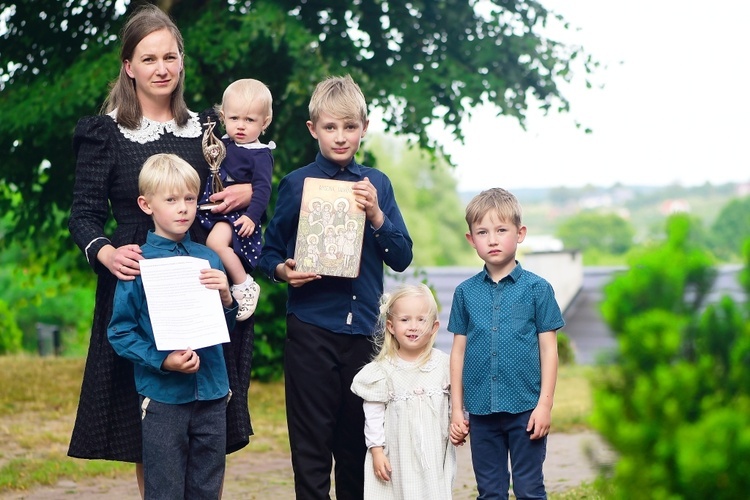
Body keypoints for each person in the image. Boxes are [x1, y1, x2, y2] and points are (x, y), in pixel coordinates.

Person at [67, 4, 254, 494]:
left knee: (206, 418)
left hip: (201, 280)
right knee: (151, 429)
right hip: (137, 281)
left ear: (181, 61)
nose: (161, 68)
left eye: (170, 57)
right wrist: (106, 253)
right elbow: (83, 214)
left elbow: (241, 182)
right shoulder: (105, 133)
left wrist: (244, 194)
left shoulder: (210, 128)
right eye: (148, 59)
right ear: (129, 66)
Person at [258, 74, 413, 499]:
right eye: (330, 127)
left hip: (364, 332)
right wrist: (284, 272)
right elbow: (266, 252)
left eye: (349, 127)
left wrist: (378, 216)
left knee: (356, 448)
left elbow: (401, 257)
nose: (340, 137)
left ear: (364, 126)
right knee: (310, 450)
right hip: (310, 329)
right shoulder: (296, 184)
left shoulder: (377, 185)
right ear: (314, 129)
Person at [108, 153, 236, 498]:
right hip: (163, 397)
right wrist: (163, 361)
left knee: (207, 489)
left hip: (211, 392)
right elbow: (119, 332)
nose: (183, 208)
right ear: (146, 204)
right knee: (163, 489)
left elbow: (225, 328)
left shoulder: (208, 257)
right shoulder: (138, 262)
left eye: (190, 199)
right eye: (171, 200)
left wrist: (226, 297)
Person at [448, 187, 565, 500]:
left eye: (501, 230)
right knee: (490, 492)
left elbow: (549, 351)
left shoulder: (539, 290)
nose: (493, 239)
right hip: (482, 414)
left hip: (526, 411)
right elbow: (458, 354)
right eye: (483, 232)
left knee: (529, 490)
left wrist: (544, 405)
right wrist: (457, 410)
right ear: (471, 239)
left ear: (520, 233)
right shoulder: (464, 293)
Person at [351, 284, 456, 500]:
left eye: (421, 319)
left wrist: (459, 422)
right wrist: (376, 450)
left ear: (434, 327)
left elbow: (456, 402)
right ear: (390, 326)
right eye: (405, 319)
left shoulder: (444, 365)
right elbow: (373, 414)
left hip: (434, 453)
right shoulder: (382, 370)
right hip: (398, 454)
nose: (413, 326)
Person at [197, 78, 275, 321]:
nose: (240, 126)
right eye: (234, 119)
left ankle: (244, 284)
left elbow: (263, 189)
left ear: (265, 123)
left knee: (216, 243)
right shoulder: (223, 144)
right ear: (223, 118)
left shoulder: (260, 154)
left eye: (249, 120)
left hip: (237, 215)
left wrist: (252, 216)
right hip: (214, 209)